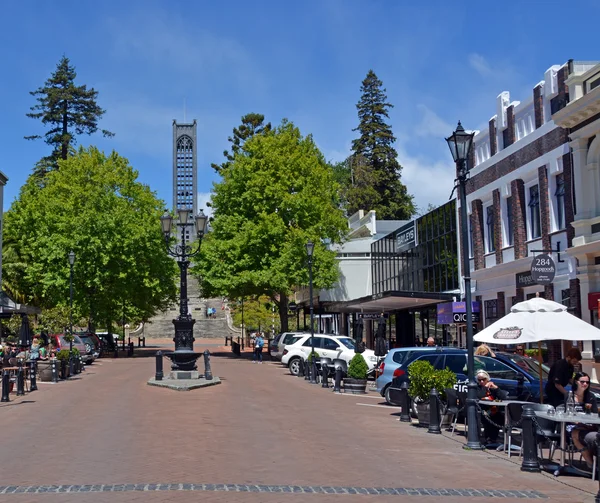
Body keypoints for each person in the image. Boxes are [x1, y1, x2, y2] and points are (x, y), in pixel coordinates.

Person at [567, 372, 598, 467]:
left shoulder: (591, 396)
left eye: (587, 382)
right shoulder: (570, 396)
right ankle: (590, 464)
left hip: (588, 424)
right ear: (576, 382)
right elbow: (567, 413)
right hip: (572, 425)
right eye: (582, 382)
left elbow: (595, 414)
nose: (585, 384)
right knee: (574, 432)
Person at [476, 369, 508, 444]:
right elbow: (480, 396)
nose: (481, 382)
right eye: (479, 380)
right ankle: (489, 438)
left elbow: (503, 397)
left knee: (499, 418)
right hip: (483, 410)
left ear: (487, 379)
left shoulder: (492, 388)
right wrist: (484, 388)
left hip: (495, 410)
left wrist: (496, 388)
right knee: (488, 418)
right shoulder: (477, 388)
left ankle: (493, 438)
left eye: (483, 380)